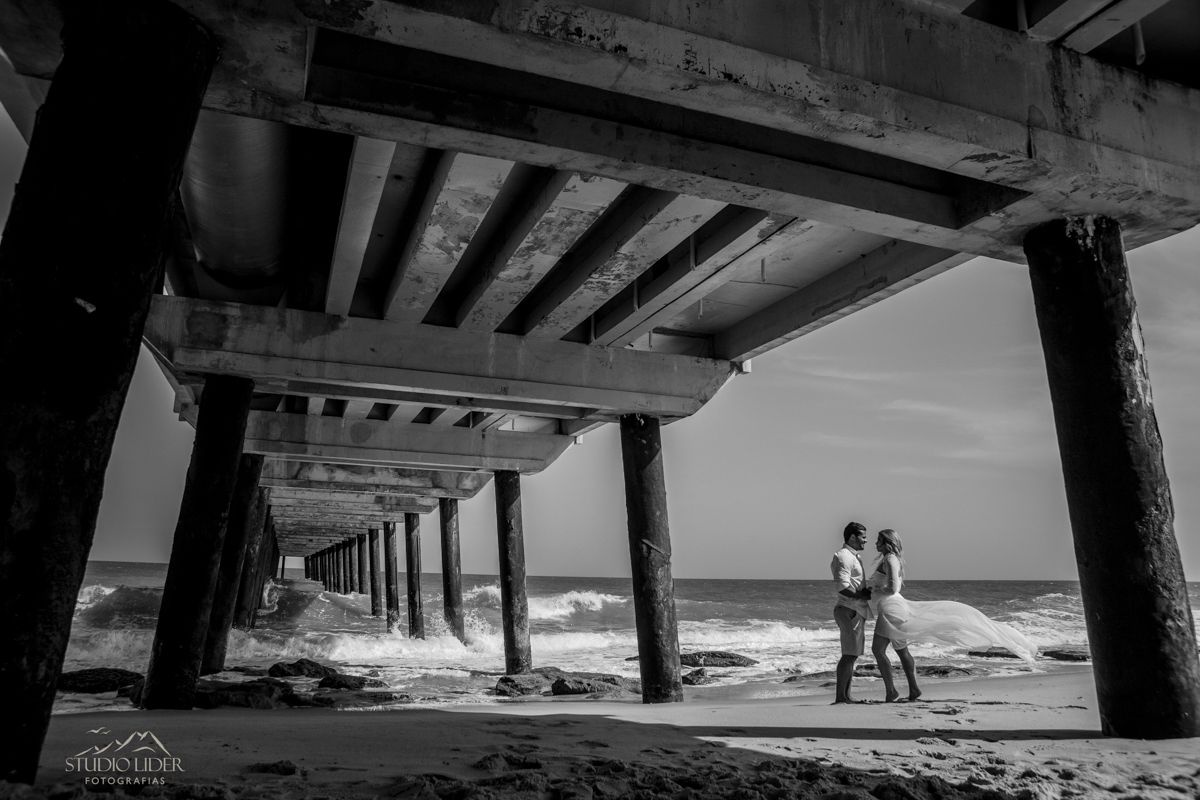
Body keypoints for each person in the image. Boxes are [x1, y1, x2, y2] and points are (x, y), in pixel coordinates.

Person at [869, 528, 1038, 703]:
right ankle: (913, 689)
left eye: (879, 540)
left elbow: (893, 588)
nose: (876, 543)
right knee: (902, 651)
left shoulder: (890, 559)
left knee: (878, 650)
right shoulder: (890, 559)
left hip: (892, 609)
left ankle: (892, 692)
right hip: (893, 608)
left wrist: (875, 589)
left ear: (888, 542)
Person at [830, 521, 871, 704]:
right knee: (849, 654)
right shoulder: (843, 556)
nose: (866, 540)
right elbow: (842, 587)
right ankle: (841, 697)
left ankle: (846, 695)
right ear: (852, 537)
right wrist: (862, 594)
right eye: (863, 536)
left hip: (854, 609)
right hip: (849, 609)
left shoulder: (853, 556)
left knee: (852, 654)